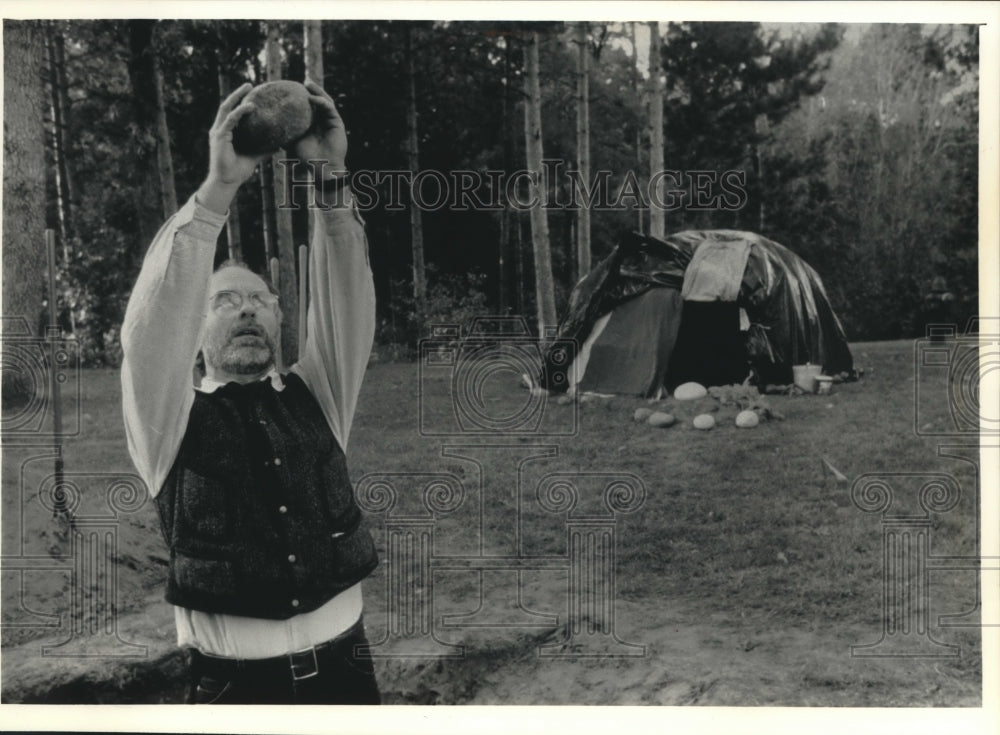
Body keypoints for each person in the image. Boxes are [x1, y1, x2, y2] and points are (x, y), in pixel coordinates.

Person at [121, 80, 380, 704]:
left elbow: (348, 290)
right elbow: (151, 326)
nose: (247, 310)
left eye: (260, 300)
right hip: (236, 693)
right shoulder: (166, 423)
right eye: (225, 301)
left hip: (348, 679)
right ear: (196, 327)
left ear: (280, 318)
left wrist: (329, 179)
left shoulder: (319, 394)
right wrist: (219, 192)